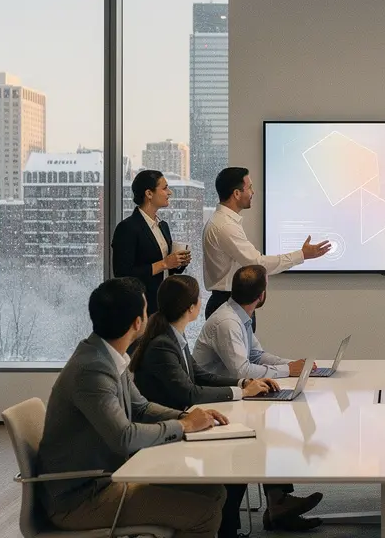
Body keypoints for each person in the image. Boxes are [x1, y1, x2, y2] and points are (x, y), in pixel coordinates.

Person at [36, 277, 229, 538]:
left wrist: (188, 416)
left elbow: (141, 408)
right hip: (82, 499)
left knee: (213, 490)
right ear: (138, 322)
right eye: (146, 310)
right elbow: (124, 437)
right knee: (204, 512)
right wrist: (183, 426)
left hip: (105, 479)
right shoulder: (92, 369)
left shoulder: (106, 355)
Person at [128, 274, 319, 536]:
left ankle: (257, 513)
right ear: (192, 308)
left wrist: (243, 385)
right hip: (171, 427)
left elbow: (202, 376)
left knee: (251, 439)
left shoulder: (174, 338)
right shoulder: (165, 344)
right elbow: (190, 391)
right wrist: (241, 390)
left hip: (186, 417)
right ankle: (230, 528)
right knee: (241, 451)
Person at [192, 264, 324, 531]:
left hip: (236, 395)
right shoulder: (228, 322)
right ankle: (240, 521)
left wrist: (294, 364)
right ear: (261, 294)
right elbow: (241, 371)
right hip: (216, 400)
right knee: (265, 431)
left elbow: (256, 355)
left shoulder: (241, 314)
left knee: (273, 423)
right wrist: (288, 370)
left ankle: (278, 503)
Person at [202, 167, 331, 324]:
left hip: (232, 301)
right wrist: (302, 255)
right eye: (249, 187)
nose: (253, 192)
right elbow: (257, 264)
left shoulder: (225, 222)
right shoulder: (225, 226)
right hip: (227, 303)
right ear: (236, 193)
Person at [111, 170, 191, 319]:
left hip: (165, 305)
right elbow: (122, 274)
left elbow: (167, 270)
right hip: (142, 309)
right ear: (149, 193)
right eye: (165, 188)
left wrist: (178, 263)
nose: (170, 192)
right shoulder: (127, 228)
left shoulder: (163, 225)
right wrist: (164, 263)